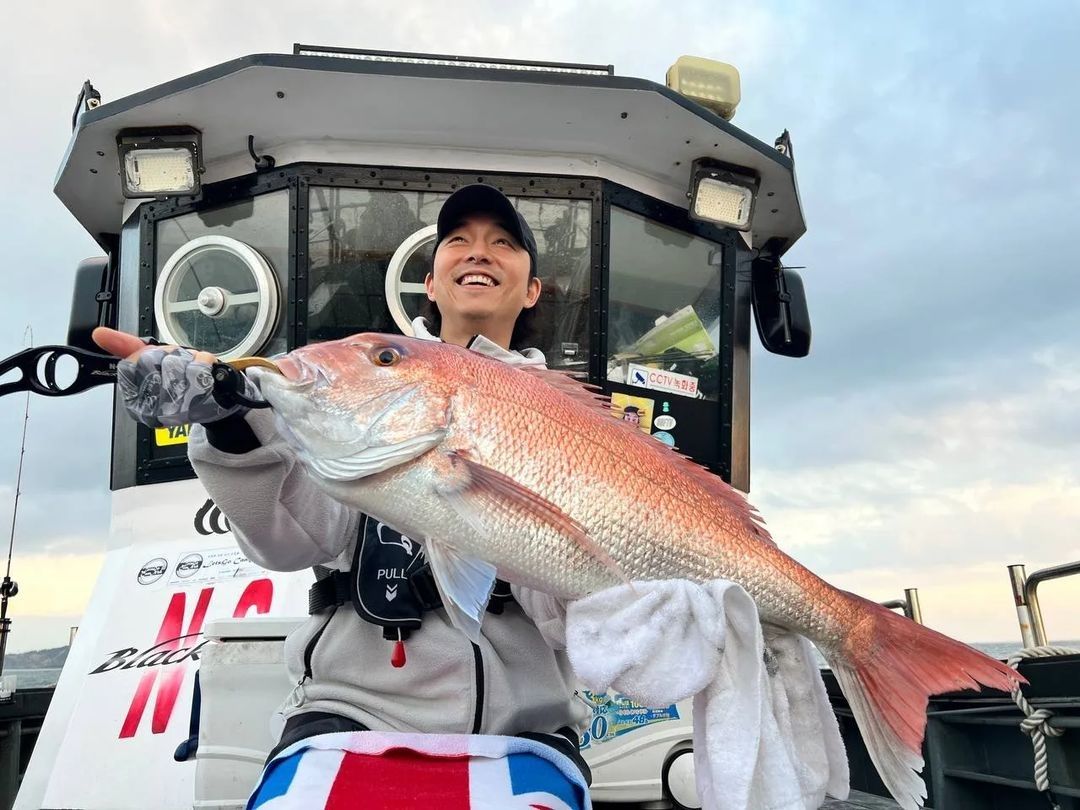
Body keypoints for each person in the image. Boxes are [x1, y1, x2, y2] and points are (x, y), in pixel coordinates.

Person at [94, 185, 590, 807]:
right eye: (457, 240)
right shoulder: (359, 390)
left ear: (533, 288)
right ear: (430, 284)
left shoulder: (574, 424)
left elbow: (572, 618)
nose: (477, 253)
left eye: (503, 243)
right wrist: (224, 419)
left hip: (527, 731)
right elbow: (288, 541)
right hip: (346, 719)